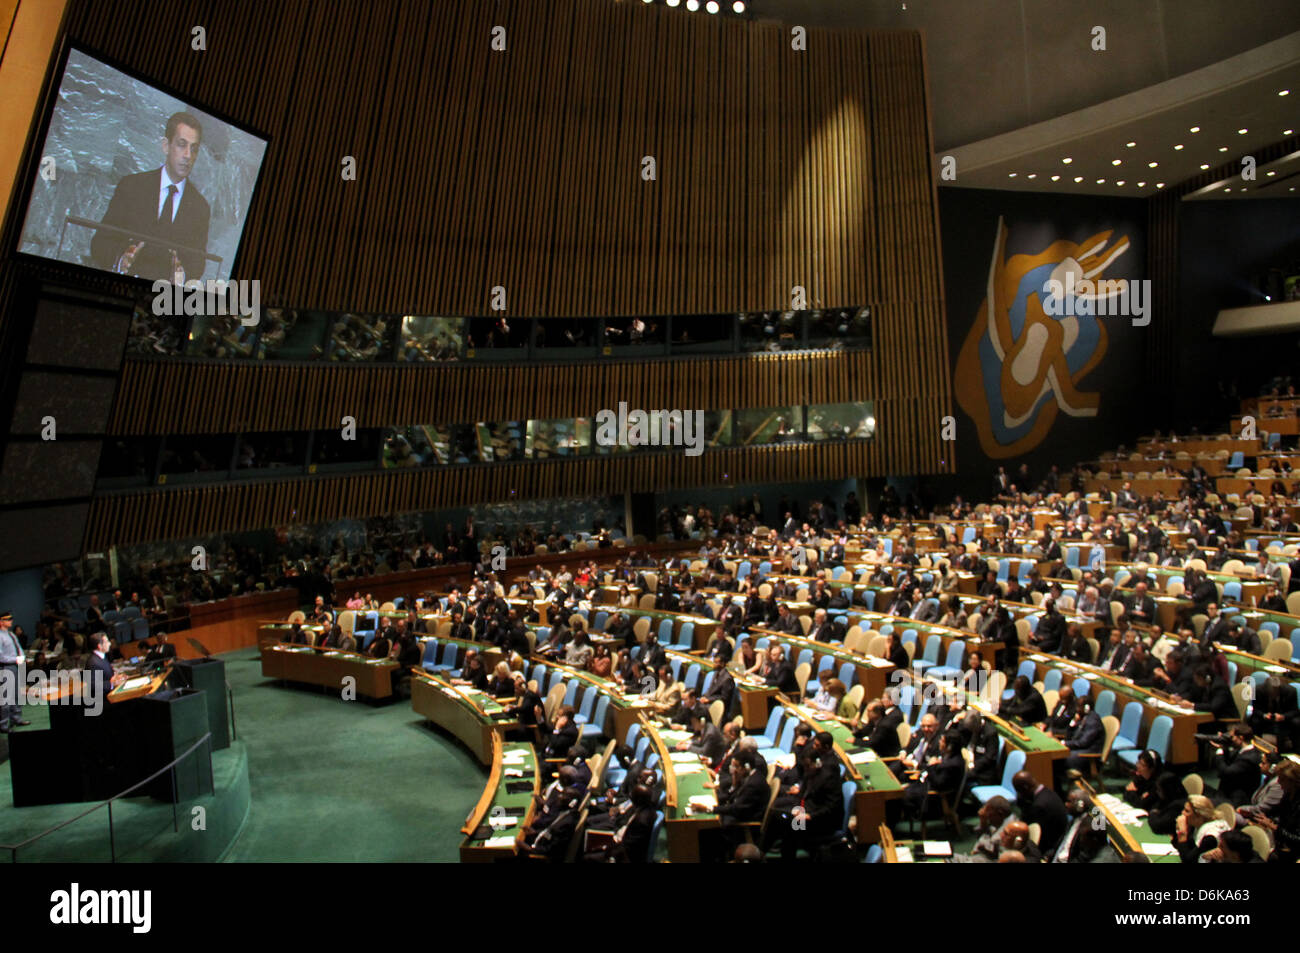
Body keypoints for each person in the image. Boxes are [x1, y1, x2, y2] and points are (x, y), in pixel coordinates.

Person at [92, 112, 212, 282]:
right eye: (181, 144)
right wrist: (121, 260)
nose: (188, 155)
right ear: (166, 146)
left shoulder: (200, 208)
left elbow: (197, 265)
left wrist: (182, 274)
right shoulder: (131, 186)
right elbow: (99, 244)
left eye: (194, 148)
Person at [1013, 770, 1068, 854]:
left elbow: (1034, 832)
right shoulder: (1048, 791)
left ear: (1025, 788)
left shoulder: (1039, 806)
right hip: (1058, 834)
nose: (1019, 795)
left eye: (1019, 791)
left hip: (1052, 846)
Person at [948, 795, 1014, 863]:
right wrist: (983, 822)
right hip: (979, 857)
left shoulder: (1010, 831)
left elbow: (1001, 859)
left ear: (1000, 813)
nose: (986, 816)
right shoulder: (998, 820)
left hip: (985, 860)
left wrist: (983, 848)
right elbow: (981, 836)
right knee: (946, 856)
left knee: (948, 859)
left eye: (989, 815)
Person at [1210, 725, 1262, 806]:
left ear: (1240, 738)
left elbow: (1226, 772)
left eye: (1232, 737)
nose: (1231, 740)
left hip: (1236, 800)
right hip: (1227, 792)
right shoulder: (1241, 751)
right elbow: (1228, 761)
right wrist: (1224, 747)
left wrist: (1219, 752)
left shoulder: (1250, 758)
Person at [1172, 795, 1230, 863]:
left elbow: (1189, 860)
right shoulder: (1198, 825)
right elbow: (1182, 847)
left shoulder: (1210, 837)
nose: (1183, 813)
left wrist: (1182, 834)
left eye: (1187, 811)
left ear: (1199, 815)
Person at [0, 613, 28, 732]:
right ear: (1, 621)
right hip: (5, 667)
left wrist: (21, 656)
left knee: (16, 693)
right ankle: (3, 725)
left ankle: (16, 718)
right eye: (7, 619)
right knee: (6, 697)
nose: (11, 620)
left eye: (11, 618)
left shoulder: (11, 634)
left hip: (14, 666)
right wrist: (15, 659)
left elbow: (19, 648)